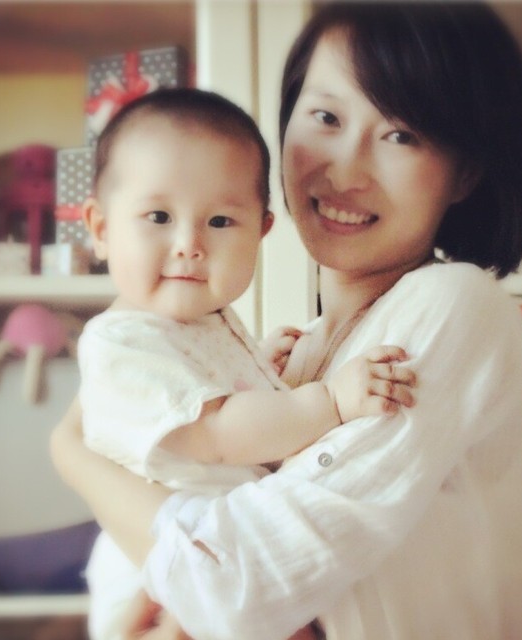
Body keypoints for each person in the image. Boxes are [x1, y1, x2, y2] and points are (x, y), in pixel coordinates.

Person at [51, 2, 522, 639]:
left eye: (401, 135)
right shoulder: (297, 355)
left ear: (465, 172)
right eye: (327, 118)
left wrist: (74, 457)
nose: (347, 170)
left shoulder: (455, 304)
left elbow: (236, 589)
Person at [74, 87, 415, 640]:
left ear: (261, 230)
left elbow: (209, 394)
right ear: (101, 228)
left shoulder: (200, 320)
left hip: (214, 555)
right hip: (159, 585)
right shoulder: (120, 345)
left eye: (220, 221)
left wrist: (259, 368)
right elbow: (216, 434)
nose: (188, 244)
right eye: (158, 216)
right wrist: (329, 401)